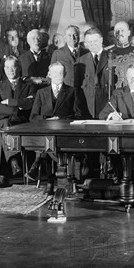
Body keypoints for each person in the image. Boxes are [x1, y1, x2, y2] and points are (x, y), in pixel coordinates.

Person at [28, 62, 81, 195]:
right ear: (49, 74)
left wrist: (61, 120)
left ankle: (42, 170)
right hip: (45, 130)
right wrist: (46, 120)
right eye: (55, 72)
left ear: (65, 75)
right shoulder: (41, 92)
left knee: (48, 145)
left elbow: (79, 115)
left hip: (65, 132)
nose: (57, 75)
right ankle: (51, 180)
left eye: (60, 73)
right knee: (48, 142)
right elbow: (33, 117)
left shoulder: (72, 91)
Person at [0, 56, 36, 188]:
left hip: (21, 123)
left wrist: (11, 103)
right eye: (7, 67)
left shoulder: (28, 85)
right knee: (5, 127)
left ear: (19, 68)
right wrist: (18, 108)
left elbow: (31, 103)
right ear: (4, 69)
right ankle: (13, 161)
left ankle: (4, 174)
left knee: (7, 132)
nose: (10, 70)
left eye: (13, 67)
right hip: (1, 122)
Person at [74, 28, 111, 119]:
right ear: (85, 43)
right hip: (88, 107)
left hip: (107, 106)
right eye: (89, 42)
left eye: (95, 41)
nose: (92, 44)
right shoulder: (81, 60)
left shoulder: (113, 58)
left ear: (101, 40)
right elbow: (77, 88)